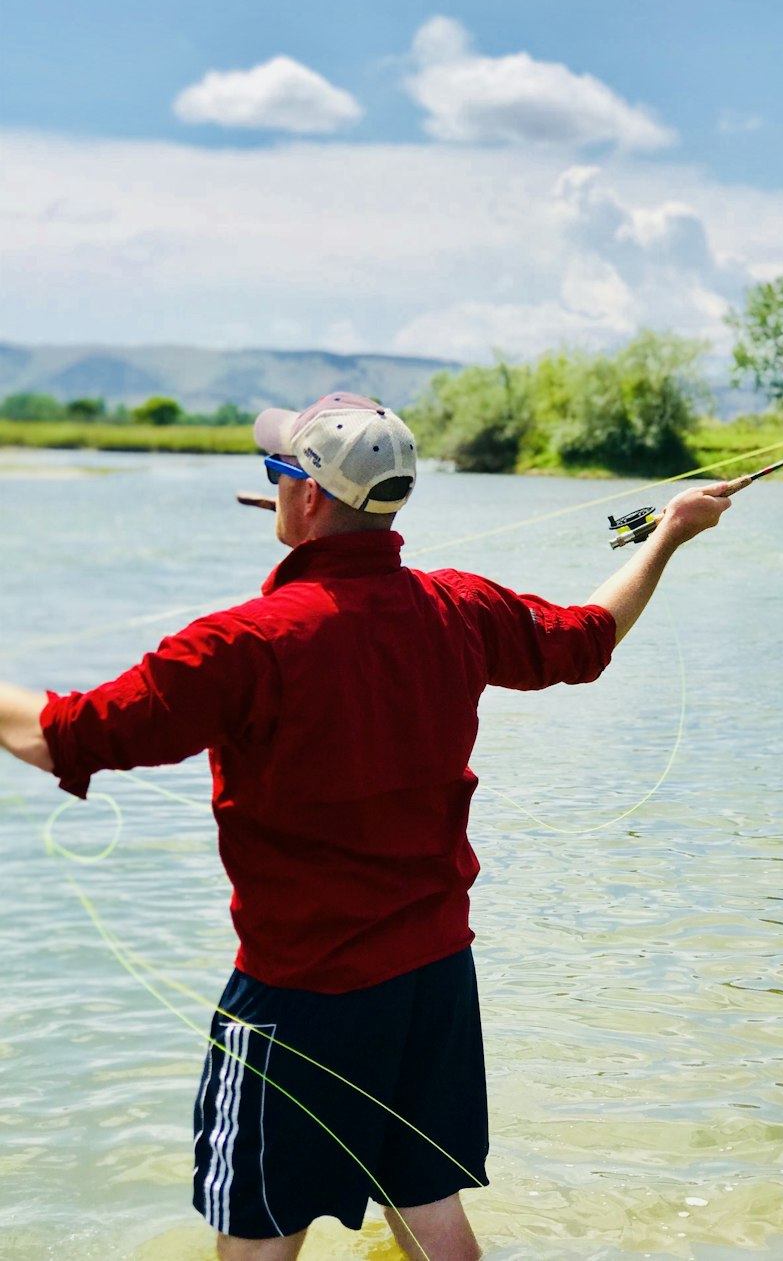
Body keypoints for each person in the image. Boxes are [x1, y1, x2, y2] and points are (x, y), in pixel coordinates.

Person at [0, 392, 737, 1261]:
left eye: (278, 471)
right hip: (432, 981)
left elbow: (63, 735)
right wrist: (668, 534)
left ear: (309, 497)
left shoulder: (240, 644)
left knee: (257, 1241)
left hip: (300, 999)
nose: (272, 485)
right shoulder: (457, 607)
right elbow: (585, 636)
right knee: (428, 1216)